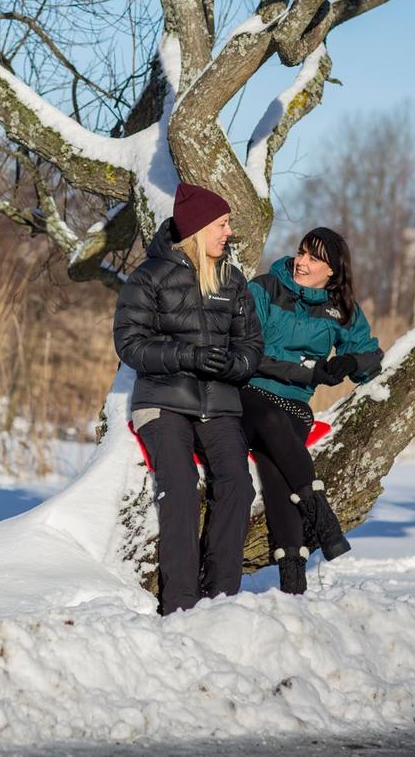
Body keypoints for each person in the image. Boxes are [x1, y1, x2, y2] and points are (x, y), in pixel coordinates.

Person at [113, 183, 262, 616]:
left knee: (237, 483)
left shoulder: (232, 280)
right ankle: (179, 603)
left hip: (218, 403)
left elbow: (251, 346)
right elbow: (130, 344)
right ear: (197, 230)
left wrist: (232, 366)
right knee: (178, 485)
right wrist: (188, 356)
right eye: (222, 224)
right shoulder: (149, 276)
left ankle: (220, 600)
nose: (228, 232)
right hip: (163, 401)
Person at [240, 227, 383, 595]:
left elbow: (370, 356)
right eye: (302, 252)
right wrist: (311, 371)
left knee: (275, 468)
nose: (302, 262)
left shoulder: (341, 308)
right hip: (248, 394)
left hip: (295, 405)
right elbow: (249, 355)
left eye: (314, 258)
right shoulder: (265, 288)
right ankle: (320, 513)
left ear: (332, 271)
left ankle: (292, 576)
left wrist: (349, 361)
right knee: (271, 419)